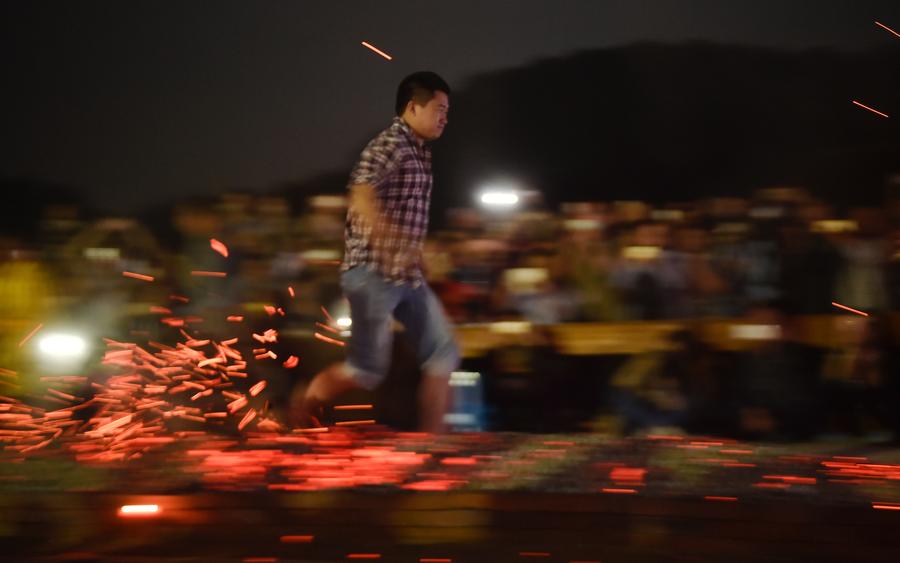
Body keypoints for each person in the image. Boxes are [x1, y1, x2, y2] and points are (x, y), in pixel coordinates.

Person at [291, 71, 459, 433]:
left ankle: (435, 445)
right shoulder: (390, 144)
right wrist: (387, 244)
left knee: (443, 352)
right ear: (413, 108)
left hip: (405, 277)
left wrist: (415, 254)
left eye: (447, 110)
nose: (445, 117)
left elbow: (400, 211)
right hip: (371, 273)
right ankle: (303, 406)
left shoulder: (420, 153)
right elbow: (361, 196)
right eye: (439, 109)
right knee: (367, 371)